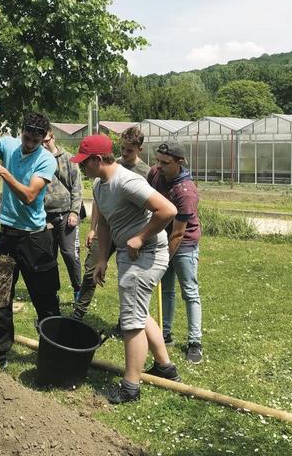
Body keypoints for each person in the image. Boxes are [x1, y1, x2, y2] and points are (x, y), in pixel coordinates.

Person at [71, 134, 180, 404]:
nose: (81, 167)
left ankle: (130, 387)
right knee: (138, 311)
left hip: (148, 254)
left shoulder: (127, 182)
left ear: (98, 159)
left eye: (84, 162)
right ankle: (165, 367)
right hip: (127, 254)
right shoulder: (100, 185)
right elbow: (106, 224)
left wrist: (141, 237)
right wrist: (102, 259)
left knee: (131, 321)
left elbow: (168, 210)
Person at [0, 110, 60, 377]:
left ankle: (54, 352)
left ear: (44, 138)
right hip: (8, 235)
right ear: (22, 132)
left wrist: (4, 172)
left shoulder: (46, 160)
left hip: (34, 238)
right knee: (0, 296)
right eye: (27, 138)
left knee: (45, 298)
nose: (29, 144)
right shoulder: (7, 144)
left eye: (35, 141)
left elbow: (29, 196)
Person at [73, 125, 150, 320]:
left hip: (130, 233)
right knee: (92, 268)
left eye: (129, 150)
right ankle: (78, 312)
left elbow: (159, 207)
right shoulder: (110, 167)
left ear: (139, 149)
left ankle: (126, 321)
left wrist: (141, 238)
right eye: (122, 148)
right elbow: (100, 202)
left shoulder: (145, 173)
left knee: (130, 279)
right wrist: (93, 229)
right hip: (107, 228)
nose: (124, 153)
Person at [147, 141, 204, 363]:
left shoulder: (185, 191)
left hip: (184, 243)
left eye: (165, 163)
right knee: (166, 290)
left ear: (179, 162)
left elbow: (178, 233)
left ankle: (195, 342)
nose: (159, 166)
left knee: (189, 292)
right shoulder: (155, 174)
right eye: (158, 161)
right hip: (163, 238)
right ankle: (166, 333)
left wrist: (163, 259)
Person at [42, 130, 83, 302]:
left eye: (46, 140)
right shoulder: (38, 159)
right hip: (45, 215)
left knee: (70, 254)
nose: (44, 144)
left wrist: (74, 212)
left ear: (53, 137)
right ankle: (52, 292)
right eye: (41, 141)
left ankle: (78, 289)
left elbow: (77, 187)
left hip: (66, 214)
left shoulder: (68, 158)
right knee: (48, 257)